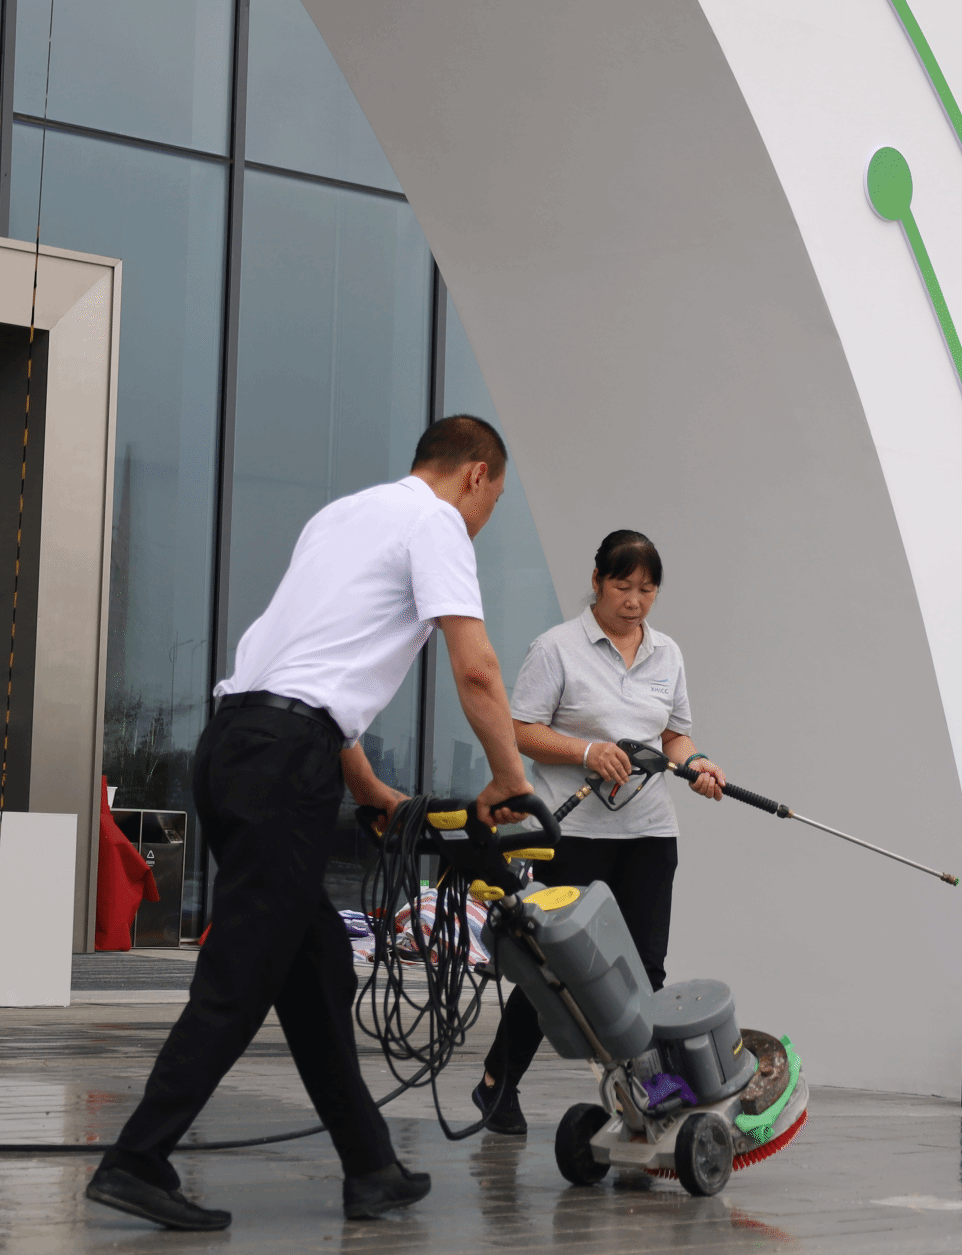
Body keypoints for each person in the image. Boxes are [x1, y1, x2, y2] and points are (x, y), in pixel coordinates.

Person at [87, 415, 535, 1230]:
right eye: (492, 501)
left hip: (234, 746)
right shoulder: (435, 523)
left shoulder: (341, 516)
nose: (483, 517)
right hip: (284, 761)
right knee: (245, 971)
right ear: (476, 474)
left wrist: (369, 791)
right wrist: (511, 780)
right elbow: (476, 666)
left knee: (315, 961)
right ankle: (136, 1158)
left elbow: (310, 671)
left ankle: (371, 1167)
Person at [472, 530, 726, 1134]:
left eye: (646, 590)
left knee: (646, 970)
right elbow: (521, 730)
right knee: (557, 968)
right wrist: (588, 751)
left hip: (649, 833)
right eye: (622, 586)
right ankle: (495, 1083)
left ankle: (644, 1096)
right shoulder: (557, 648)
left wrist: (696, 766)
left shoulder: (668, 654)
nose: (634, 601)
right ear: (596, 581)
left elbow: (674, 737)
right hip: (572, 833)